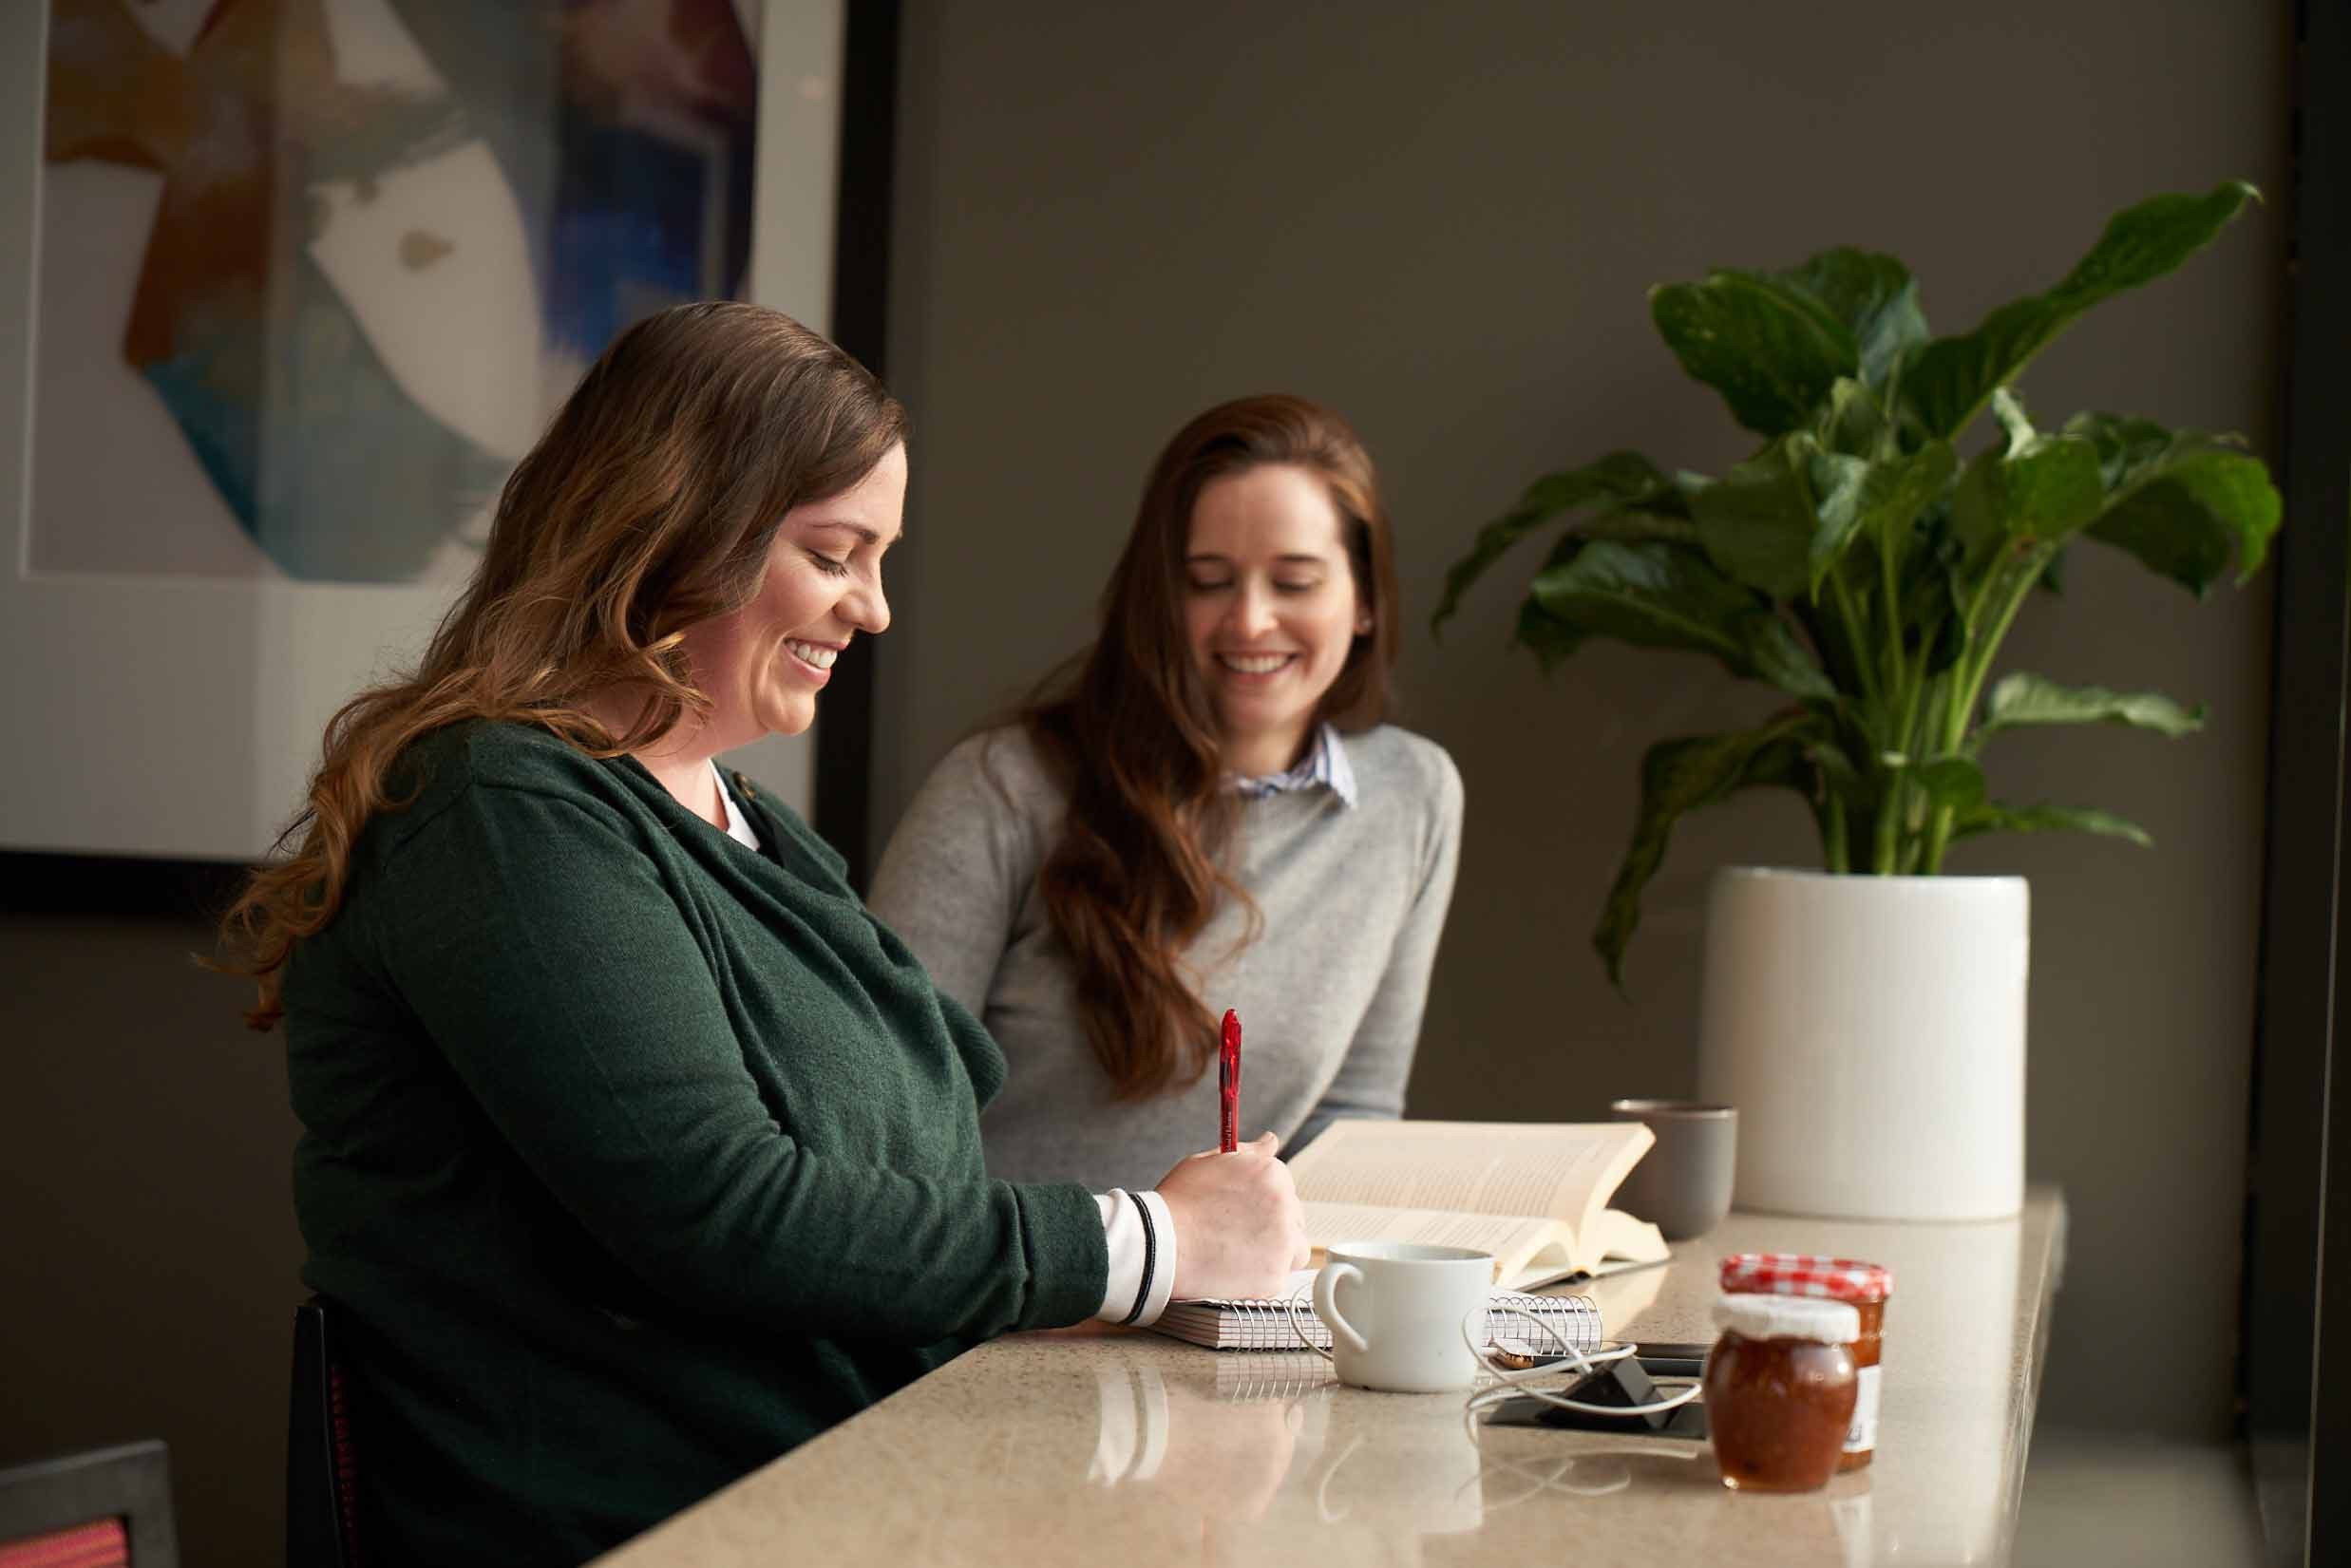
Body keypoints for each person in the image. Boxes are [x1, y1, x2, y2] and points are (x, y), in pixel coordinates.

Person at [215, 304, 1307, 1566]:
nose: (874, 608)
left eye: (880, 558)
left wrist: (1092, 1283)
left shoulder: (754, 833)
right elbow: (722, 1211)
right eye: (836, 552)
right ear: (679, 527)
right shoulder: (497, 811)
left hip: (854, 1501)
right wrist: (1152, 1241)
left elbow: (889, 1200)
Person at [868, 395, 1464, 1194]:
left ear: (1363, 601)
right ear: (1159, 598)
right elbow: (879, 1114)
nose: (1250, 620)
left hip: (1244, 1304)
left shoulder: (1413, 794)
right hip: (1016, 1301)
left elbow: (1351, 1120)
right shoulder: (1004, 787)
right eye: (1207, 581)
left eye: (1294, 581)